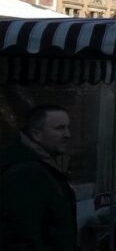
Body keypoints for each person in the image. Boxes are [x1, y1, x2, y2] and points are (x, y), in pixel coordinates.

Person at [0, 105, 77, 251]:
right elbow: (20, 237)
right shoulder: (25, 174)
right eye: (59, 128)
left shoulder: (45, 166)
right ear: (36, 134)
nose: (68, 134)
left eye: (68, 127)